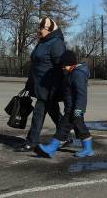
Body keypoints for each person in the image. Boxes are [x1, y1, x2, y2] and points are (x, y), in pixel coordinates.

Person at [14, 17, 66, 152]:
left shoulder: (56, 43)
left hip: (49, 86)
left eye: (41, 28)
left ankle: (32, 141)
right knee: (54, 112)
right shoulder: (42, 42)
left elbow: (60, 65)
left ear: (49, 30)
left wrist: (57, 86)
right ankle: (65, 136)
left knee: (38, 112)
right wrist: (29, 83)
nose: (39, 30)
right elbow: (36, 64)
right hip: (38, 84)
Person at [35, 50, 94, 158]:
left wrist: (79, 109)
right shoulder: (71, 73)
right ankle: (88, 149)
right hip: (71, 108)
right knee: (80, 128)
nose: (62, 68)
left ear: (71, 64)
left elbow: (81, 94)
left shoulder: (78, 74)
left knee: (63, 127)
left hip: (75, 109)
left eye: (64, 65)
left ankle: (51, 148)